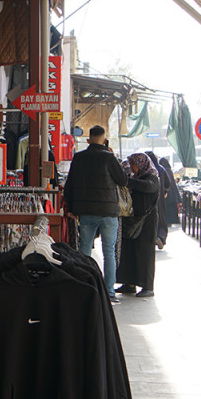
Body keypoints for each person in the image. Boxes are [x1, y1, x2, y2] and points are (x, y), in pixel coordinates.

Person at [63, 126, 128, 301]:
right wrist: (113, 156)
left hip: (86, 212)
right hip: (108, 212)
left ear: (88, 139)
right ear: (104, 139)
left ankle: (84, 287)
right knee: (109, 252)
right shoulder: (109, 157)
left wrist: (71, 208)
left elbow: (69, 185)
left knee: (84, 250)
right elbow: (123, 180)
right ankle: (109, 292)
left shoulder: (79, 157)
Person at [116, 152, 162, 298]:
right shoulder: (136, 177)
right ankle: (129, 283)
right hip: (133, 220)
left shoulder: (152, 177)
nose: (131, 167)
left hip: (147, 222)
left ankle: (147, 286)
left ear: (141, 164)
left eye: (133, 164)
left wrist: (128, 182)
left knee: (145, 253)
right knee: (129, 251)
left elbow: (149, 187)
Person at [155, 156, 178, 248]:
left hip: (153, 199)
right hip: (164, 197)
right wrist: (165, 191)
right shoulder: (163, 170)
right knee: (163, 215)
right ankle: (160, 237)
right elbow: (168, 183)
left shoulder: (150, 170)